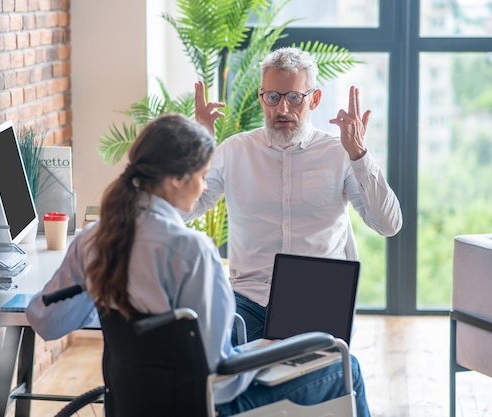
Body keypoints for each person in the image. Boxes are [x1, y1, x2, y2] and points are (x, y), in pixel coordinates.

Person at [25, 114, 372, 416]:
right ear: (177, 178)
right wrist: (265, 350)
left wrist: (109, 303)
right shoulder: (191, 251)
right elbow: (219, 377)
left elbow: (46, 319)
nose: (204, 186)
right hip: (207, 406)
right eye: (203, 176)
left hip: (134, 403)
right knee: (345, 365)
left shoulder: (94, 239)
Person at [186, 46, 403, 344]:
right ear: (262, 97)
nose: (282, 110)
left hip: (317, 298)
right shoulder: (234, 151)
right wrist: (196, 153)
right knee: (217, 367)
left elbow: (388, 224)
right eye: (273, 97)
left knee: (310, 373)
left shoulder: (340, 153)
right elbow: (184, 210)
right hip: (247, 297)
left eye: (293, 98)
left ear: (314, 99)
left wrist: (360, 156)